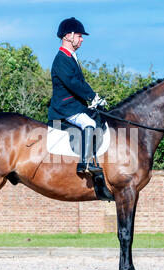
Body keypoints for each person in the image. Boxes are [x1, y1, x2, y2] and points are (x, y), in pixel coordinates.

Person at [48, 17, 107, 174]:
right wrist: (92, 97)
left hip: (74, 105)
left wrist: (96, 99)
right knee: (89, 124)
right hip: (65, 107)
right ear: (68, 36)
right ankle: (85, 163)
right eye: (79, 36)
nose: (82, 40)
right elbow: (73, 83)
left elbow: (80, 83)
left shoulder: (70, 57)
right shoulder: (61, 59)